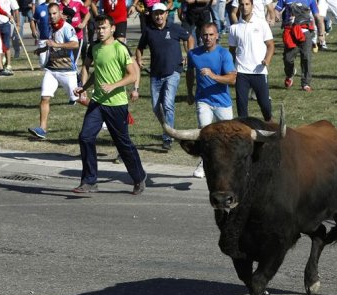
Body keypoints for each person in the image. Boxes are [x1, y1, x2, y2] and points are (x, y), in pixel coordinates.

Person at [72, 14, 147, 194]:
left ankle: (139, 177)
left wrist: (113, 85)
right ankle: (89, 181)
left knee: (122, 143)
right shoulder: (95, 48)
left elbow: (132, 75)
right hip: (97, 102)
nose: (100, 31)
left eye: (103, 27)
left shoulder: (120, 48)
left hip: (117, 104)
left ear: (112, 29)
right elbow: (97, 73)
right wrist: (84, 88)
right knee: (85, 137)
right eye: (98, 28)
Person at [135, 2, 194, 150]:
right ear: (152, 15)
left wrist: (189, 54)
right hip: (155, 74)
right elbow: (139, 48)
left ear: (166, 14)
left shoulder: (174, 28)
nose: (159, 16)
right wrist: (139, 59)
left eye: (161, 13)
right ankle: (167, 129)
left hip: (173, 71)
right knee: (156, 107)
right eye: (156, 14)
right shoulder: (149, 31)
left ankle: (168, 137)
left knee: (168, 104)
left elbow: (190, 38)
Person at [186, 22, 236, 177]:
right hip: (203, 100)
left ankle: (231, 164)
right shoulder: (193, 54)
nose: (207, 38)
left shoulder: (224, 54)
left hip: (222, 101)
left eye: (211, 35)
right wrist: (189, 92)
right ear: (200, 36)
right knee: (205, 132)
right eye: (205, 35)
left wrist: (213, 76)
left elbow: (232, 79)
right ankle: (204, 162)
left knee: (228, 136)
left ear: (217, 36)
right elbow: (189, 73)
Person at [28, 2, 80, 139]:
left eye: (54, 13)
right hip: (51, 70)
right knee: (44, 97)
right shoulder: (51, 27)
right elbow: (51, 45)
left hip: (67, 71)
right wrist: (42, 49)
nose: (52, 16)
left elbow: (75, 44)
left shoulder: (67, 28)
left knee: (78, 98)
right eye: (50, 14)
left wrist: (56, 44)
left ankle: (102, 114)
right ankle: (42, 129)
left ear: (60, 13)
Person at [228, 0, 274, 121]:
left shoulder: (262, 24)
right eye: (242, 5)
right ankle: (245, 133)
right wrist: (230, 69)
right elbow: (231, 50)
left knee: (265, 105)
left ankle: (270, 125)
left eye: (247, 4)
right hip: (241, 73)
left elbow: (270, 45)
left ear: (252, 6)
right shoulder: (234, 28)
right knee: (241, 107)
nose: (244, 7)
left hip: (259, 71)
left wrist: (267, 60)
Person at [274, 0, 323, 92]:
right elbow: (276, 10)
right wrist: (276, 15)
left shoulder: (310, 0)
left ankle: (305, 83)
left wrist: (321, 34)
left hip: (305, 33)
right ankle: (290, 74)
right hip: (290, 33)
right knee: (288, 59)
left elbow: (317, 16)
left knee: (306, 58)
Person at [0, 0, 20, 74]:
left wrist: (18, 23)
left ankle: (8, 64)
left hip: (6, 23)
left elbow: (16, 9)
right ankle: (1, 66)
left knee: (7, 45)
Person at [31, 0, 53, 67]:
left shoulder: (58, 6)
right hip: (43, 39)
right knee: (43, 64)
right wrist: (33, 30)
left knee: (54, 64)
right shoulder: (39, 8)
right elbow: (33, 20)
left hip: (55, 40)